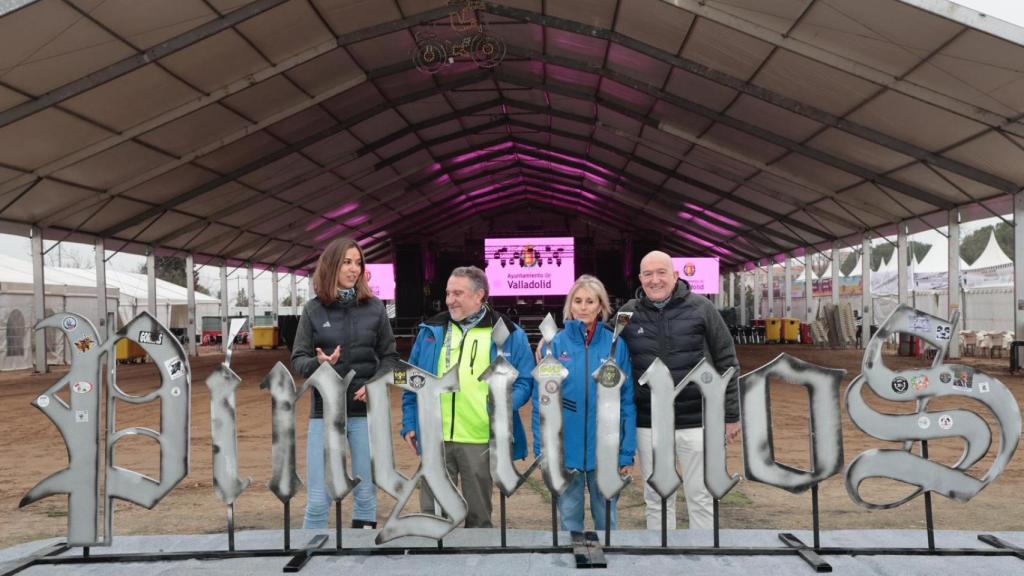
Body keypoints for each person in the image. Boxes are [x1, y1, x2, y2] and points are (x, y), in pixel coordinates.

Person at [401, 266, 535, 527]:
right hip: (434, 437)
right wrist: (409, 422)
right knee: (433, 517)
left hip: (480, 438)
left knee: (479, 518)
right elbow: (412, 381)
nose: (450, 299)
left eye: (458, 293)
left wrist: (503, 408)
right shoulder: (431, 330)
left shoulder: (508, 333)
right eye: (448, 292)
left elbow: (525, 380)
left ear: (479, 295)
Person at [618, 250, 740, 530]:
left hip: (696, 420)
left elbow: (727, 361)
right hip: (649, 423)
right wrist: (549, 345)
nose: (655, 279)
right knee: (657, 496)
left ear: (674, 275)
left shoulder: (702, 308)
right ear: (640, 278)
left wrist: (731, 415)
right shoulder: (627, 313)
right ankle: (662, 561)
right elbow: (601, 346)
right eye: (648, 274)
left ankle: (703, 557)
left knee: (701, 495)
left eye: (661, 272)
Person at [291, 237, 399, 529]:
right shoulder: (313, 310)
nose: (354, 269)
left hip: (365, 415)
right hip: (323, 416)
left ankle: (363, 557)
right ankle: (312, 553)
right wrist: (319, 364)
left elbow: (390, 358)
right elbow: (298, 360)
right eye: (347, 262)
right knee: (318, 498)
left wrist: (375, 384)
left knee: (366, 494)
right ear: (331, 266)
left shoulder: (376, 308)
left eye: (358, 262)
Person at [532, 275, 636, 532]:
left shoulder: (616, 345)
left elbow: (627, 401)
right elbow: (542, 402)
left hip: (606, 451)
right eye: (577, 301)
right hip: (568, 450)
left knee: (607, 523)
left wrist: (626, 450)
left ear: (601, 306)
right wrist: (542, 447)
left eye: (590, 301)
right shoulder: (555, 345)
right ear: (570, 305)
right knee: (569, 520)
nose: (583, 306)